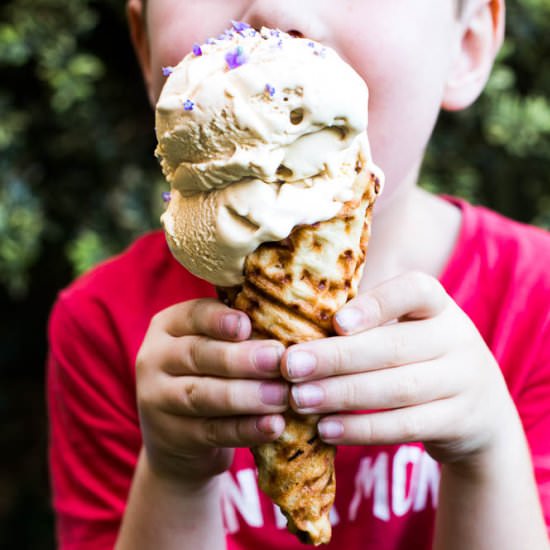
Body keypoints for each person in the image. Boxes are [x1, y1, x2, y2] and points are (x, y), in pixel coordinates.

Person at [47, 1, 550, 549]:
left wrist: (487, 456)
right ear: (146, 49)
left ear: (468, 44)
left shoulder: (537, 303)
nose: (276, 8)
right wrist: (173, 477)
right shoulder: (101, 322)